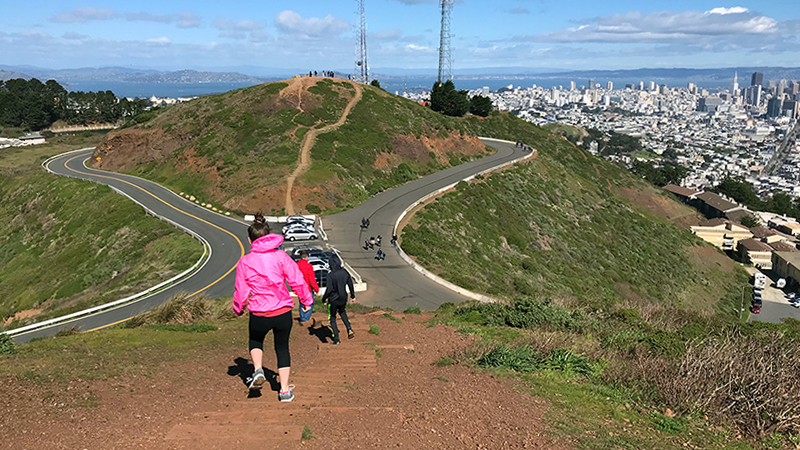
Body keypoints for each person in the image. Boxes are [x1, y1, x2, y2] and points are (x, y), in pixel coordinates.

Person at [232, 214, 313, 402]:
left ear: (250, 239)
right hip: (282, 311)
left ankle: (258, 370)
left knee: (255, 340)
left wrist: (238, 308)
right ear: (268, 236)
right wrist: (306, 300)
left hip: (259, 312)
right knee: (282, 348)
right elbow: (297, 280)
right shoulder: (281, 256)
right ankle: (284, 391)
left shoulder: (245, 262)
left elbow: (241, 290)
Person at [321, 254, 355, 344]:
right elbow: (350, 283)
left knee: (332, 318)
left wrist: (324, 299)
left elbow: (329, 289)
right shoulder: (344, 272)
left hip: (333, 300)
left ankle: (336, 338)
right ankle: (349, 328)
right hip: (343, 298)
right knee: (343, 312)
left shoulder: (330, 275)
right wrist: (352, 296)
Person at [295, 250, 319, 327]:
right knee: (310, 303)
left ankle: (302, 318)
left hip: (299, 288)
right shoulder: (309, 266)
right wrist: (316, 289)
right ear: (307, 257)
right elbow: (312, 280)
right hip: (307, 288)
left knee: (302, 304)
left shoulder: (296, 265)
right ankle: (306, 319)